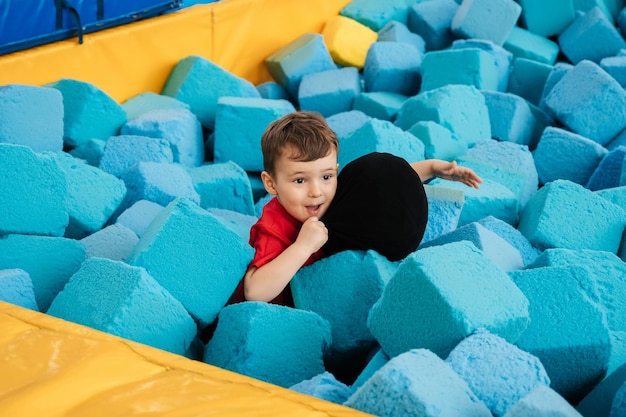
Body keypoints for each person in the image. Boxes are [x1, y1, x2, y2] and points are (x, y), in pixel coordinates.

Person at [231, 111, 482, 306]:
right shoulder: (276, 226)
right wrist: (302, 246)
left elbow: (379, 185)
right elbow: (254, 291)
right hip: (279, 317)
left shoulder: (325, 198)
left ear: (336, 173)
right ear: (271, 183)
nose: (316, 191)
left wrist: (434, 169)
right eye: (299, 180)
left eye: (326, 177)